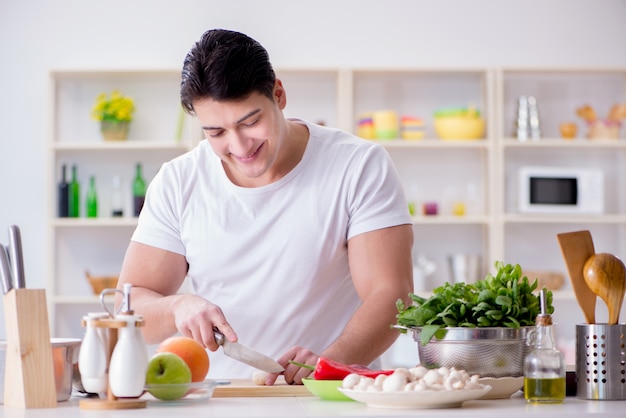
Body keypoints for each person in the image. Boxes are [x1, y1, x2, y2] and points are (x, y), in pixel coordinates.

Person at [116, 28, 414, 385]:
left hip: (331, 393)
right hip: (220, 399)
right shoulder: (178, 181)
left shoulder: (357, 165)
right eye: (216, 133)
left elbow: (392, 295)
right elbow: (128, 305)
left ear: (279, 94)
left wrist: (328, 364)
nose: (239, 146)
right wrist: (178, 306)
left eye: (250, 122)